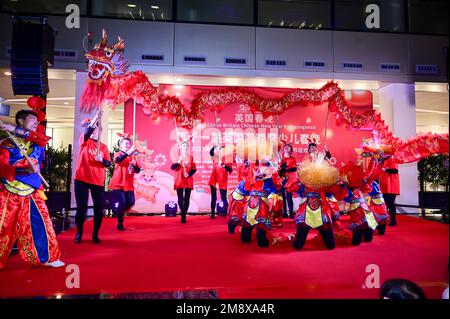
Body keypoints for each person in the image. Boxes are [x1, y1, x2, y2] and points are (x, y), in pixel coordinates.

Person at [0, 110, 64, 269]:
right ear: (21, 121)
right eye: (32, 120)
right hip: (10, 191)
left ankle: (47, 257)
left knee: (41, 224)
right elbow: (2, 168)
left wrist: (13, 128)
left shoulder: (38, 142)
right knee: (3, 226)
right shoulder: (6, 144)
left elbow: (42, 138)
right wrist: (23, 171)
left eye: (37, 121)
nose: (37, 123)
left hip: (33, 191)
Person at [74, 110, 111, 243]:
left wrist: (102, 160)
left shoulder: (104, 147)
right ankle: (79, 232)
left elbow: (108, 163)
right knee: (82, 208)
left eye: (97, 128)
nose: (94, 130)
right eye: (93, 128)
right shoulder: (84, 141)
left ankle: (95, 234)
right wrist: (96, 117)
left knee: (99, 209)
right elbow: (87, 132)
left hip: (97, 181)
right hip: (82, 179)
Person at [109, 133, 140, 231]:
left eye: (128, 144)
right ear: (120, 145)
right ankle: (120, 222)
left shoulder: (132, 157)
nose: (127, 146)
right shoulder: (118, 154)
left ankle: (118, 211)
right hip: (119, 183)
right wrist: (128, 152)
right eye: (125, 144)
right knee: (122, 203)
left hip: (129, 184)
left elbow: (138, 170)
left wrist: (135, 165)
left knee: (130, 202)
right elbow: (118, 160)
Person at [171, 140, 196, 223]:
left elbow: (194, 169)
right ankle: (183, 213)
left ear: (188, 148)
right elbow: (173, 168)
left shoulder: (191, 157)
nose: (185, 148)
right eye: (183, 146)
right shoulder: (177, 156)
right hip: (179, 179)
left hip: (188, 179)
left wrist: (188, 174)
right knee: (180, 199)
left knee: (187, 199)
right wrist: (179, 160)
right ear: (181, 148)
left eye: (186, 147)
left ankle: (184, 214)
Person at [208, 144, 232, 219]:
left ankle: (226, 213)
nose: (221, 151)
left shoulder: (227, 159)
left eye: (222, 150)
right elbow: (211, 152)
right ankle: (212, 213)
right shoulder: (215, 157)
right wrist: (215, 146)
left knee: (223, 198)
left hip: (222, 180)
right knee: (213, 197)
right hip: (214, 179)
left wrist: (224, 166)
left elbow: (230, 170)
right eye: (220, 150)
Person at [379, 156, 400, 226]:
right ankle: (386, 219)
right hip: (384, 186)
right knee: (385, 204)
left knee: (390, 203)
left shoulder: (392, 158)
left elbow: (395, 170)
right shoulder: (383, 160)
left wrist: (385, 170)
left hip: (391, 185)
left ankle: (393, 220)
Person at [279, 143, 297, 219]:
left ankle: (291, 212)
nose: (287, 148)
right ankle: (284, 213)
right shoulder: (280, 157)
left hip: (290, 179)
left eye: (288, 147)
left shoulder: (293, 159)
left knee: (289, 196)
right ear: (283, 149)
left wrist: (285, 169)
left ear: (291, 150)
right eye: (285, 147)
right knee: (282, 196)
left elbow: (294, 168)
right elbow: (278, 167)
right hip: (282, 178)